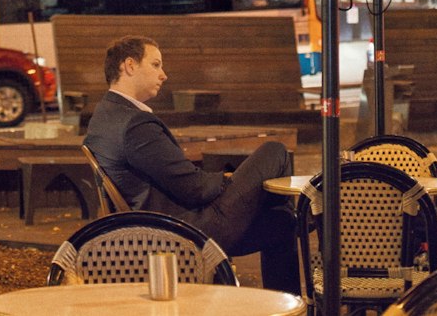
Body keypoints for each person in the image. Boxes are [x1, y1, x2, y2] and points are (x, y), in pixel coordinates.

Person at [84, 35, 300, 293]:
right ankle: (305, 217)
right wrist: (228, 179)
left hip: (156, 226)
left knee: (281, 223)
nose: (163, 75)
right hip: (186, 231)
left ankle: (294, 221)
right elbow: (194, 188)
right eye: (155, 65)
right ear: (129, 66)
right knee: (274, 151)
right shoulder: (134, 124)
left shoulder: (104, 115)